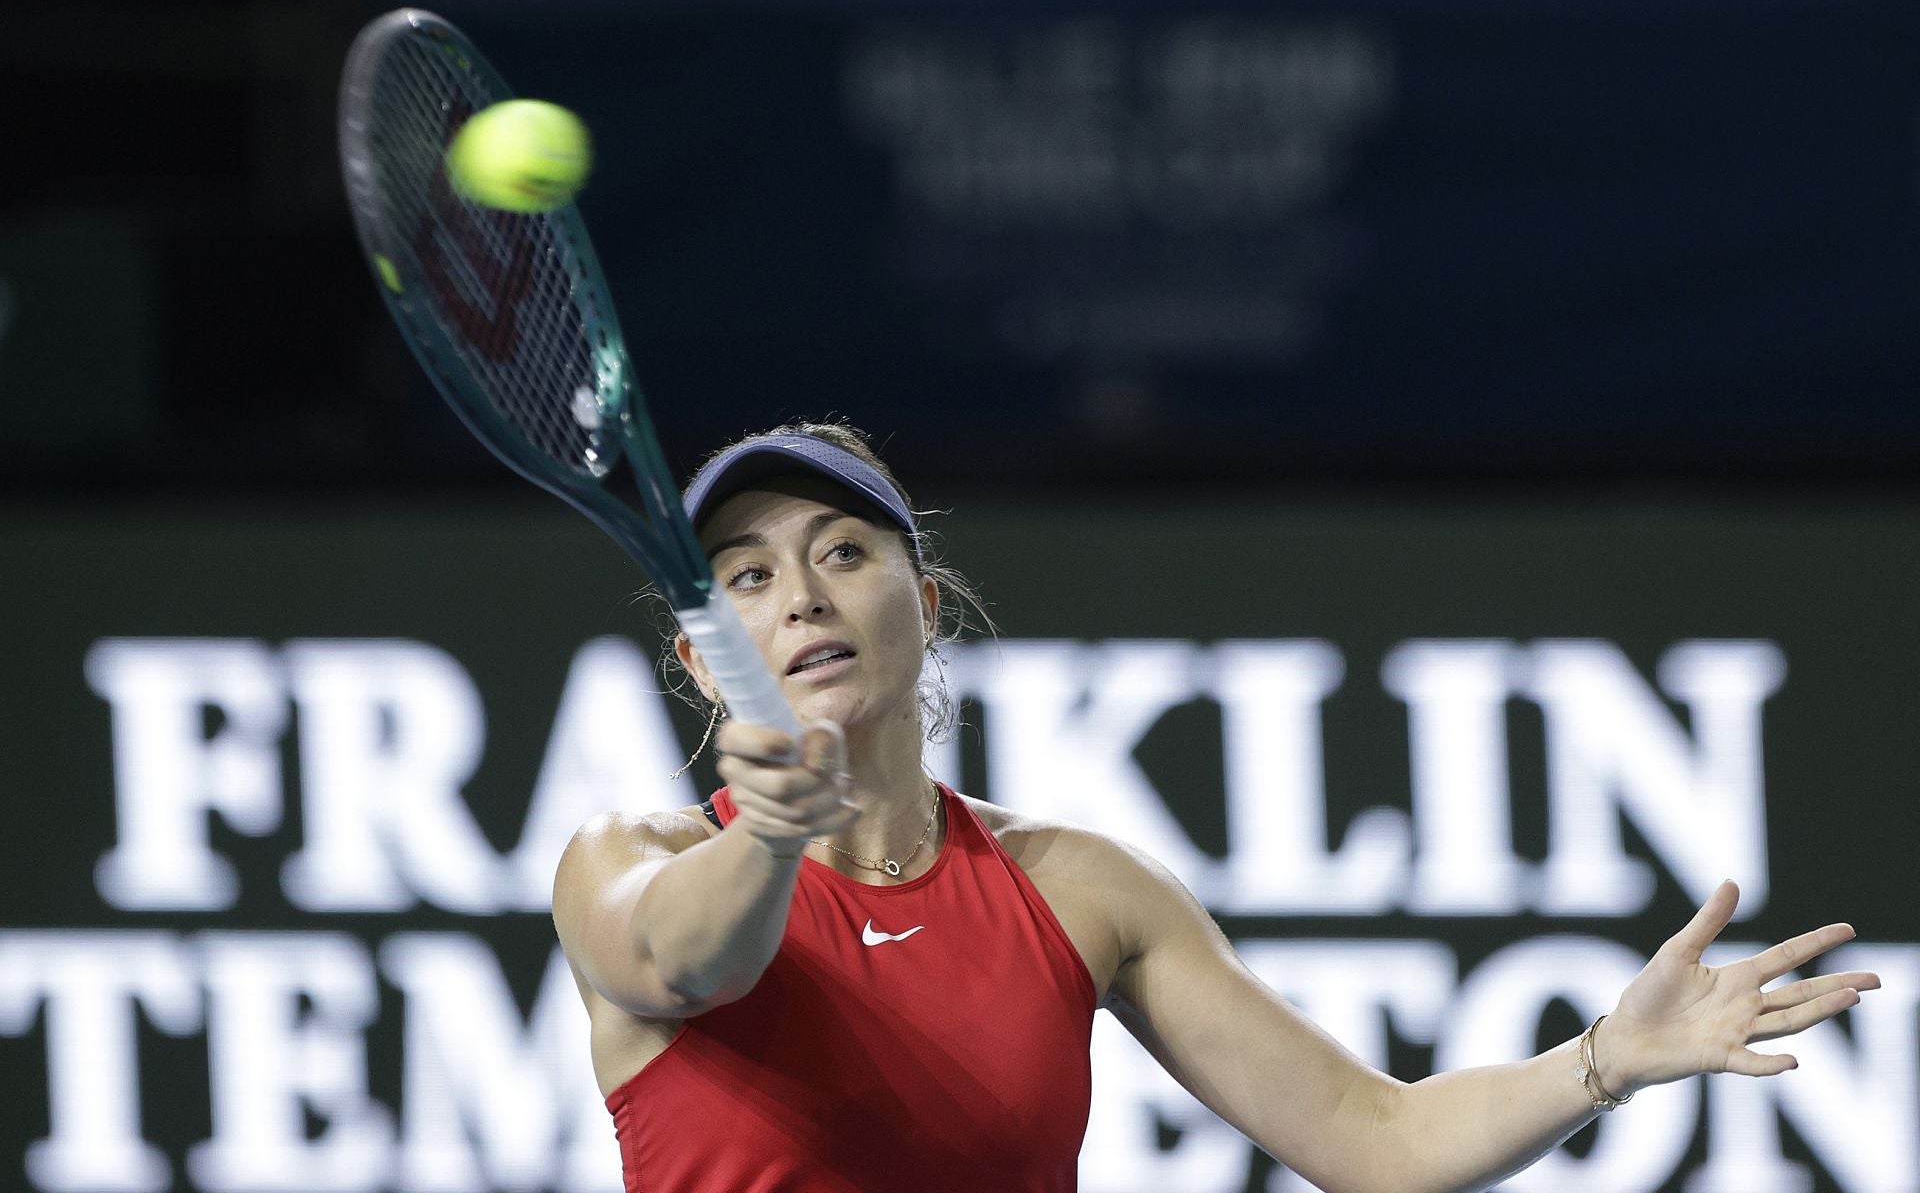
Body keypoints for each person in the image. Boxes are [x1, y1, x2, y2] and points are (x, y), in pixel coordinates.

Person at [551, 421, 1879, 1193]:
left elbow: (1380, 1142)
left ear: (927, 604)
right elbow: (684, 962)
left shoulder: (1081, 889)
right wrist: (776, 830)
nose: (801, 596)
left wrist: (1605, 1061)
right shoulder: (627, 862)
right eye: (745, 576)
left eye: (844, 552)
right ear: (700, 660)